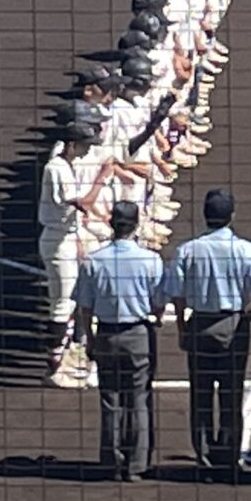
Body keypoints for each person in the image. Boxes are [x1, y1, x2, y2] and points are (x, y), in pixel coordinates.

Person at [162, 187, 251, 480]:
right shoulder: (245, 249)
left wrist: (184, 327)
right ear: (231, 216)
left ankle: (206, 458)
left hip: (200, 324)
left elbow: (177, 295)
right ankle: (229, 458)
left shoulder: (188, 250)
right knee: (231, 396)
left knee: (201, 395)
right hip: (232, 325)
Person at [71, 199, 168, 480]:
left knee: (110, 400)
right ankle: (137, 465)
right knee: (138, 398)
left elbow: (84, 307)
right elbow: (158, 301)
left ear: (112, 224)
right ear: (136, 225)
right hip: (138, 333)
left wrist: (89, 339)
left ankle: (111, 462)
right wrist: (157, 317)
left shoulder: (94, 260)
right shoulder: (150, 259)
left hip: (107, 334)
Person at [38, 107, 113, 386]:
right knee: (62, 303)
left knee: (75, 299)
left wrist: (79, 238)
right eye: (83, 145)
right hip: (57, 241)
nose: (86, 150)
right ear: (71, 144)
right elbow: (82, 203)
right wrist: (101, 177)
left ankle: (67, 358)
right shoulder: (56, 168)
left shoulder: (66, 165)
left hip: (68, 236)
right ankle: (54, 368)